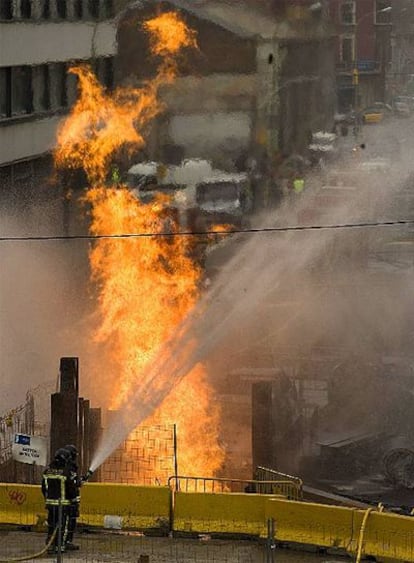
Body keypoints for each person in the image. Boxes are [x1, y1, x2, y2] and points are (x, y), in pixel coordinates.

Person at [41, 448, 78, 554]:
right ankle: (60, 546)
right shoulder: (66, 472)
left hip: (50, 504)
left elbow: (44, 488)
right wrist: (73, 500)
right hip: (63, 504)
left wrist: (47, 499)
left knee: (51, 525)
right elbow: (71, 488)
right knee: (63, 526)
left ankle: (51, 544)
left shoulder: (47, 471)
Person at [64, 444, 81, 551]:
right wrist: (78, 482)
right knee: (68, 523)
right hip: (69, 502)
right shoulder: (70, 468)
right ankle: (66, 542)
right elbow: (73, 484)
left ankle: (61, 543)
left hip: (64, 501)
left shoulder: (62, 467)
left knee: (63, 523)